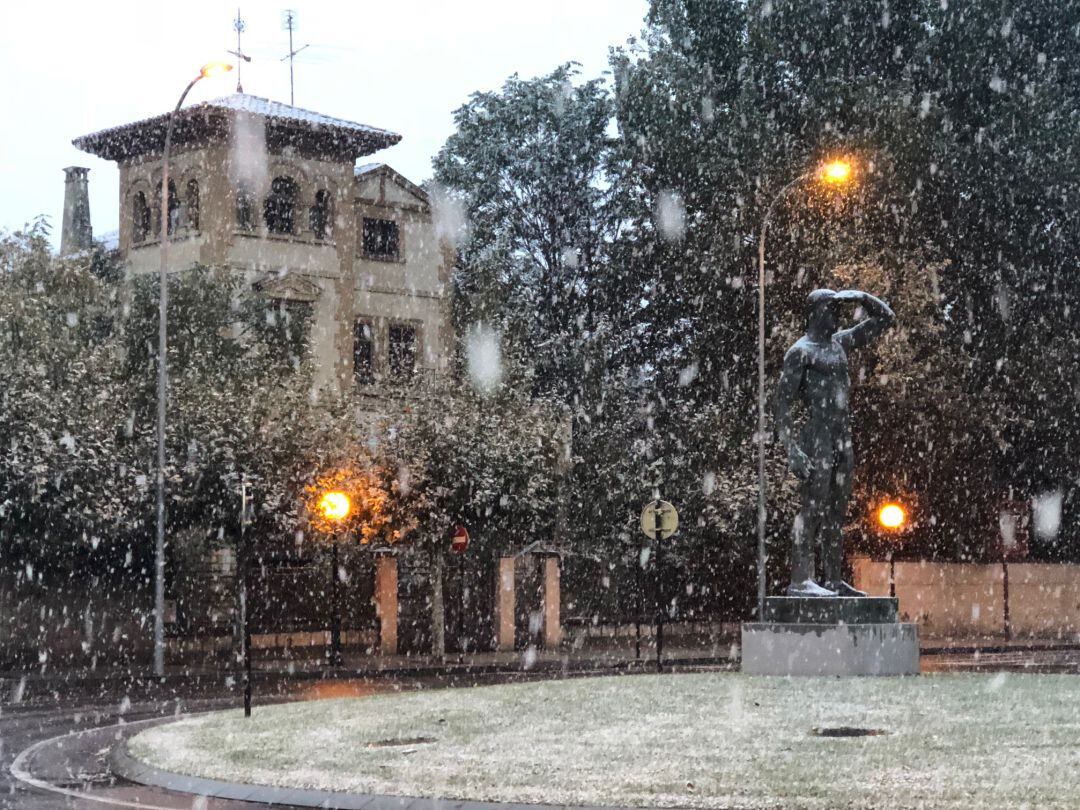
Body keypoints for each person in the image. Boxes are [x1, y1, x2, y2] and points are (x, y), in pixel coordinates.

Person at [775, 288, 895, 597]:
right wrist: (793, 450)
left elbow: (885, 319)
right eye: (831, 309)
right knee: (812, 507)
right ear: (815, 312)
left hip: (843, 435)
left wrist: (862, 297)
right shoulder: (800, 351)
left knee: (836, 512)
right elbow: (781, 404)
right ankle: (801, 580)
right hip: (818, 435)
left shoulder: (839, 343)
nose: (837, 315)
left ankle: (832, 579)